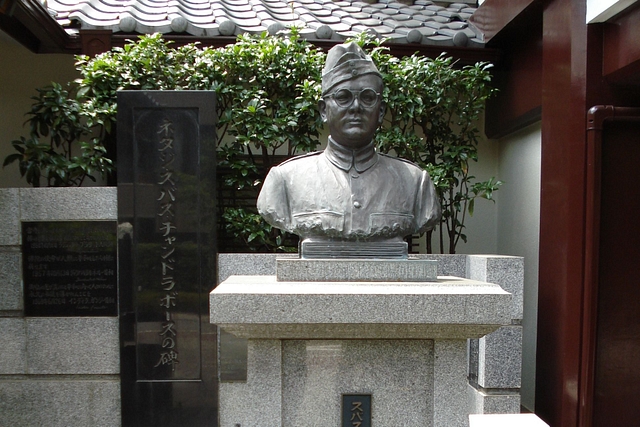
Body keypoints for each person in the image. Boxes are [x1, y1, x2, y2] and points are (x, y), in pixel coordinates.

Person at [257, 42, 440, 257]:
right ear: (324, 110)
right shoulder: (285, 180)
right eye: (343, 97)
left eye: (367, 97)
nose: (355, 107)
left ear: (380, 112)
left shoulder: (415, 183)